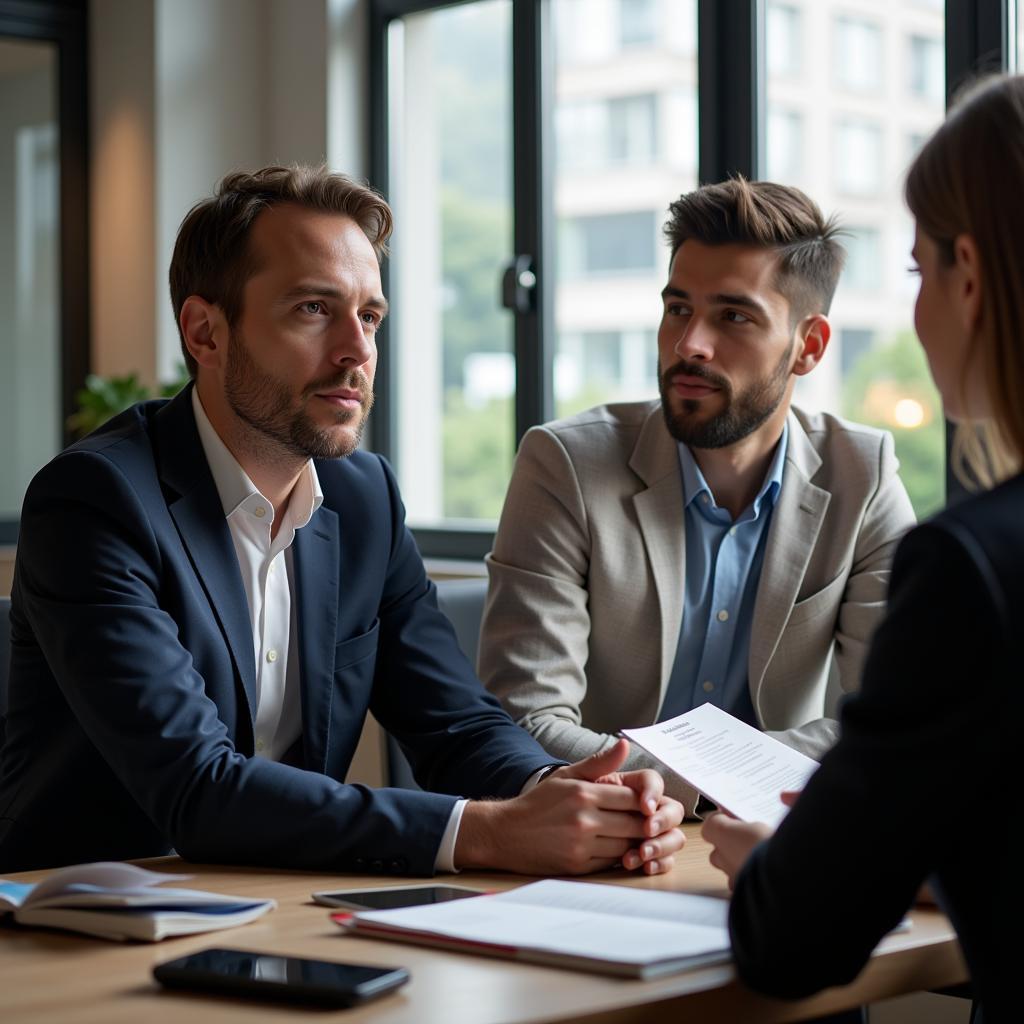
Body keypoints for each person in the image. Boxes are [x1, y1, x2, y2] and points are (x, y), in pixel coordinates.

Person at [0, 165, 685, 877]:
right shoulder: (95, 500)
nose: (356, 350)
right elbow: (195, 786)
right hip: (86, 917)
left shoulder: (363, 498)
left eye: (369, 315)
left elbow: (455, 722)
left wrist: (559, 791)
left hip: (287, 902)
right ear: (205, 332)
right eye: (312, 310)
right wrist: (487, 832)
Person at [702, 74, 1024, 1023]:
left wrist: (774, 861)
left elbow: (795, 940)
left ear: (972, 272)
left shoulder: (975, 569)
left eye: (922, 272)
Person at [479, 179, 916, 812]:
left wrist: (707, 784)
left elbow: (893, 712)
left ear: (809, 346)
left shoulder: (862, 475)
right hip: (600, 832)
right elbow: (524, 719)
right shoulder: (566, 463)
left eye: (733, 316)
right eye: (678, 308)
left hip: (768, 839)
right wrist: (719, 784)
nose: (689, 346)